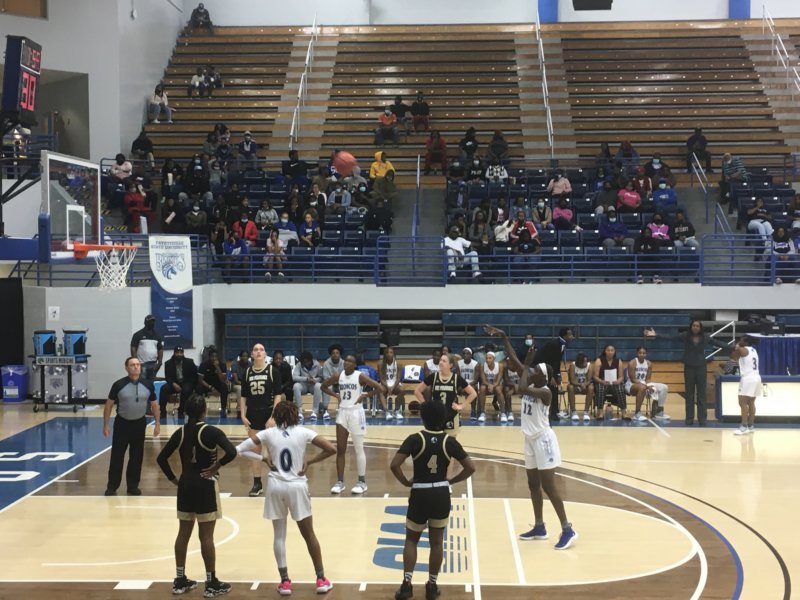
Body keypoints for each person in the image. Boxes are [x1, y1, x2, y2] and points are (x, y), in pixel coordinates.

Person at [483, 326, 578, 550]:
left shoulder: (545, 392)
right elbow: (514, 359)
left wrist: (526, 365)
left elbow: (522, 388)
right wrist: (504, 336)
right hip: (529, 439)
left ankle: (567, 529)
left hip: (544, 440)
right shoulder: (531, 377)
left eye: (535, 370)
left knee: (549, 486)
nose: (531, 370)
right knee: (533, 485)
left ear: (543, 377)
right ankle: (539, 526)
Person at [235, 402, 336, 596]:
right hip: (297, 486)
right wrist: (309, 462)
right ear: (295, 415)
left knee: (279, 536)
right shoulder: (304, 432)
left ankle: (285, 581)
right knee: (309, 535)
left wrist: (263, 459)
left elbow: (240, 450)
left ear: (276, 416)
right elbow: (331, 449)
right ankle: (321, 579)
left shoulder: (268, 433)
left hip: (275, 486)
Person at [390, 401, 475, 600]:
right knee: (436, 543)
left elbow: (394, 465)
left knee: (411, 540)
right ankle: (432, 586)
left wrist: (406, 482)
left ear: (422, 418)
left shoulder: (415, 439)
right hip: (440, 493)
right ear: (443, 419)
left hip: (420, 492)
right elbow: (471, 467)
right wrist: (451, 480)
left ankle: (406, 585)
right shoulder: (449, 441)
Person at [156, 395, 235, 597]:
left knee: (183, 533)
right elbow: (232, 452)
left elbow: (161, 458)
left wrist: (174, 479)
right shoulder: (211, 431)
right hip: (205, 484)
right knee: (206, 536)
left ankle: (179, 579)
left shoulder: (180, 432)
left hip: (185, 485)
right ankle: (211, 583)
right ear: (204, 411)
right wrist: (216, 466)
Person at [322, 355, 386, 495]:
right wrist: (336, 395)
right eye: (345, 360)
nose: (346, 363)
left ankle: (362, 482)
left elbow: (380, 388)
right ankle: (340, 482)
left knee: (358, 449)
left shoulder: (360, 376)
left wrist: (365, 395)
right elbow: (323, 386)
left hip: (356, 413)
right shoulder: (338, 376)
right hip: (342, 413)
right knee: (340, 449)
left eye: (350, 361)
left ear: (355, 364)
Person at [644, 321, 727, 425]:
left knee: (702, 394)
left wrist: (733, 347)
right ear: (691, 327)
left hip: (701, 367)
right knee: (689, 393)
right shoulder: (685, 335)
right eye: (694, 326)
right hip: (689, 367)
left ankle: (702, 419)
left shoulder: (705, 337)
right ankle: (689, 418)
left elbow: (717, 343)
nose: (695, 327)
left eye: (697, 326)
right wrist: (657, 334)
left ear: (700, 328)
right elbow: (671, 337)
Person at [103, 357, 159, 496]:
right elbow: (109, 405)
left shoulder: (148, 385)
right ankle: (112, 486)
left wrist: (157, 423)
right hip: (122, 424)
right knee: (117, 456)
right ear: (126, 368)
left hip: (139, 424)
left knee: (136, 457)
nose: (136, 367)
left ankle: (133, 486)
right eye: (132, 365)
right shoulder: (118, 385)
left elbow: (154, 405)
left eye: (138, 364)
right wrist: (106, 425)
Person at [240, 343, 283, 497]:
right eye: (255, 350)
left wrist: (273, 417)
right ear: (252, 354)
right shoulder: (247, 372)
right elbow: (243, 396)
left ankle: (276, 482)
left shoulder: (273, 371)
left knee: (272, 450)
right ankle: (257, 484)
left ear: (265, 354)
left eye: (261, 350)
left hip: (268, 413)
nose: (258, 352)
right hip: (253, 414)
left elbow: (278, 395)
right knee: (255, 451)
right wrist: (243, 415)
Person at [533, 328, 575, 421]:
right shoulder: (554, 344)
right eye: (570, 334)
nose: (572, 337)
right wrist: (550, 376)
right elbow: (546, 360)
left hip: (550, 368)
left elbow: (556, 361)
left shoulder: (562, 344)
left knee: (555, 388)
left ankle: (554, 412)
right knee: (548, 389)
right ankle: (546, 412)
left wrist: (558, 375)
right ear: (565, 336)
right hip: (541, 369)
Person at [626, 346, 670, 421]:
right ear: (637, 353)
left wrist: (650, 386)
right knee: (642, 388)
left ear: (646, 354)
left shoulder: (649, 363)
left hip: (644, 384)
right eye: (640, 353)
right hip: (631, 385)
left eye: (644, 353)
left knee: (664, 387)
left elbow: (648, 379)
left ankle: (659, 412)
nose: (642, 354)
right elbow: (633, 379)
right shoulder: (632, 363)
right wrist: (646, 386)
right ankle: (637, 413)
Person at [732, 336, 761, 435]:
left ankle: (743, 427)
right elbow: (736, 357)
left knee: (742, 403)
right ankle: (750, 426)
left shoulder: (743, 349)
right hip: (756, 377)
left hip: (748, 378)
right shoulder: (754, 350)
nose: (739, 341)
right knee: (751, 403)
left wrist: (737, 347)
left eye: (741, 340)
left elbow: (735, 356)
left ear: (745, 342)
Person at [160, 345, 198, 420]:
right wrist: (174, 384)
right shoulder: (168, 363)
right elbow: (167, 377)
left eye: (181, 353)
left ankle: (181, 411)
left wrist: (190, 384)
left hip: (186, 382)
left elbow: (194, 375)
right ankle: (163, 412)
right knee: (163, 389)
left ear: (183, 353)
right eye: (177, 353)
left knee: (186, 390)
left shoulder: (190, 362)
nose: (179, 354)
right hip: (174, 383)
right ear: (174, 353)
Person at [592, 344, 628, 420]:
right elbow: (595, 376)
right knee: (600, 388)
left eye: (612, 350)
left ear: (614, 352)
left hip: (614, 383)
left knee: (620, 388)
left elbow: (621, 377)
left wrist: (618, 381)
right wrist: (601, 381)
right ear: (605, 351)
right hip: (603, 382)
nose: (610, 352)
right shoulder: (599, 361)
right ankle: (600, 413)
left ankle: (624, 413)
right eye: (608, 350)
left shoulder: (619, 361)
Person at [478, 350, 511, 422]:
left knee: (498, 389)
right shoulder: (482, 366)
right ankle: (482, 412)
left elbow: (498, 381)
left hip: (497, 385)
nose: (488, 360)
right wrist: (489, 385)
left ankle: (503, 413)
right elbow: (483, 380)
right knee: (482, 388)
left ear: (494, 359)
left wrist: (492, 385)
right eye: (487, 358)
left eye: (490, 358)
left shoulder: (500, 365)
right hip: (487, 385)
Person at [130, 314, 163, 382]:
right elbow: (133, 347)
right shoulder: (138, 334)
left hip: (153, 364)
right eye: (150, 321)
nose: (152, 323)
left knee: (152, 383)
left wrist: (159, 362)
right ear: (145, 322)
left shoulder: (157, 335)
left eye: (153, 321)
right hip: (142, 364)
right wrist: (136, 361)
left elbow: (160, 349)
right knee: (142, 383)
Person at [292, 351, 324, 420]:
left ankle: (315, 411)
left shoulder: (317, 364)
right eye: (304, 362)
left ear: (311, 360)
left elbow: (321, 378)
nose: (306, 363)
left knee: (318, 386)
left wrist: (315, 380)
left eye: (307, 362)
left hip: (313, 386)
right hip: (304, 385)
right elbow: (294, 377)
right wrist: (306, 379)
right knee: (296, 386)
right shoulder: (299, 364)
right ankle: (299, 410)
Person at [198, 349, 230, 416]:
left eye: (215, 356)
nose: (214, 358)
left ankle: (223, 409)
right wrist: (211, 388)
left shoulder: (222, 364)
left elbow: (223, 380)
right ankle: (200, 409)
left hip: (218, 384)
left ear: (218, 357)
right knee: (198, 388)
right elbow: (200, 380)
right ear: (209, 357)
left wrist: (217, 367)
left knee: (224, 386)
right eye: (212, 356)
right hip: (207, 385)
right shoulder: (203, 365)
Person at [379, 346, 406, 420]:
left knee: (402, 390)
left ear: (394, 354)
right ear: (385, 354)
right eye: (387, 352)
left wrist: (393, 387)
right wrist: (388, 387)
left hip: (395, 383)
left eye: (391, 352)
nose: (389, 354)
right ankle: (386, 411)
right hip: (385, 383)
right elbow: (381, 379)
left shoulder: (398, 364)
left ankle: (396, 411)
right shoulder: (380, 364)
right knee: (380, 390)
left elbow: (398, 378)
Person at [567, 352, 593, 422]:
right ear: (579, 362)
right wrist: (580, 385)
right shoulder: (573, 365)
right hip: (575, 386)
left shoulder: (589, 365)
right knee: (570, 387)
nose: (585, 363)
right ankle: (573, 411)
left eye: (586, 361)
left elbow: (589, 380)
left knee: (591, 388)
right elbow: (572, 380)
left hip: (585, 386)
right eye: (584, 361)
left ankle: (586, 412)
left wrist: (585, 384)